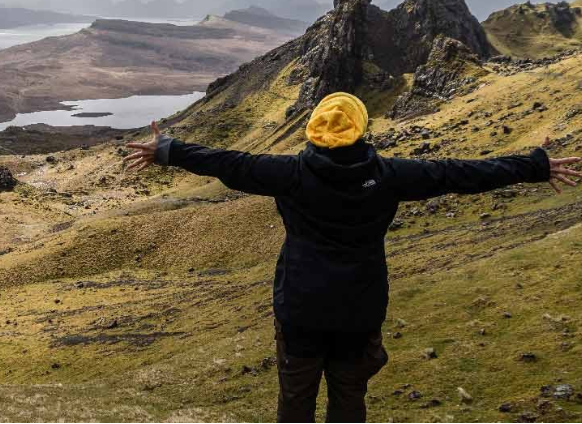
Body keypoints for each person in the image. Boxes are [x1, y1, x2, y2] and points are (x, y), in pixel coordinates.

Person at [123, 92, 581, 423]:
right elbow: (460, 173)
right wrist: (536, 166)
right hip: (359, 311)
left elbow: (229, 162)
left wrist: (169, 150)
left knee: (295, 401)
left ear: (314, 132)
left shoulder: (289, 174)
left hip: (300, 308)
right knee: (349, 398)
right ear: (362, 130)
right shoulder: (392, 175)